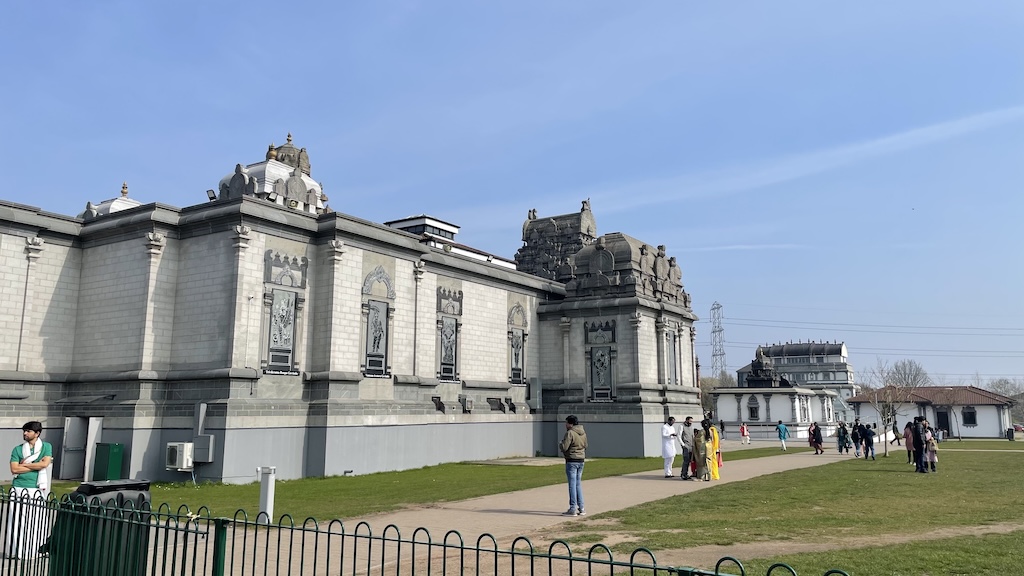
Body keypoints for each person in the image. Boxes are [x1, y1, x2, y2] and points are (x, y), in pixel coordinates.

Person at [5, 421, 53, 559]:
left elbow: (46, 463)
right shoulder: (18, 449)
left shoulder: (46, 446)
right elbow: (14, 469)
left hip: (36, 488)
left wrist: (26, 465)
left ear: (37, 433)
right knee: (17, 521)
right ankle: (16, 551)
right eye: (24, 431)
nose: (25, 433)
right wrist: (37, 465)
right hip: (18, 487)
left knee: (36, 520)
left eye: (28, 431)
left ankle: (35, 551)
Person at [559, 415, 588, 516]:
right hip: (581, 460)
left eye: (566, 423)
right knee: (578, 484)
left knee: (572, 485)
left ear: (570, 424)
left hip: (572, 460)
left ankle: (572, 508)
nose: (565, 425)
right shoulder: (583, 433)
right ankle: (582, 507)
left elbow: (565, 447)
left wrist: (561, 444)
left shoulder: (570, 433)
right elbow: (586, 445)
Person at [678, 416, 694, 481]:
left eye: (692, 421)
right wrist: (683, 444)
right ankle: (683, 474)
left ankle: (685, 473)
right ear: (686, 420)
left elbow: (692, 435)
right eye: (690, 421)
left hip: (691, 445)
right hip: (686, 445)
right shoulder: (681, 426)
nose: (691, 423)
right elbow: (679, 436)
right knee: (686, 460)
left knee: (689, 461)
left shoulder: (691, 427)